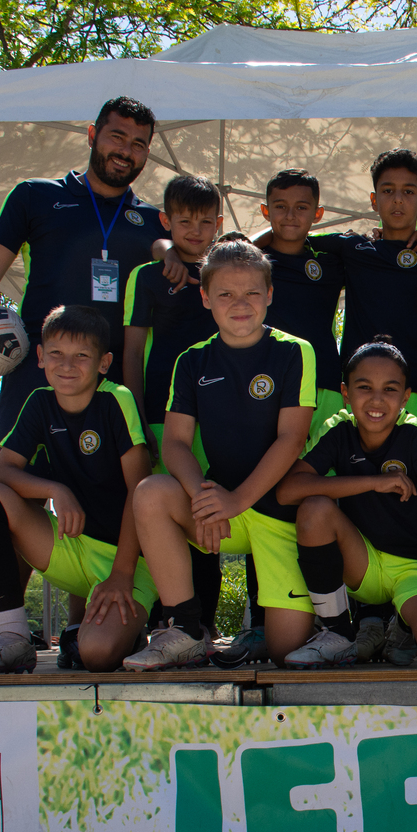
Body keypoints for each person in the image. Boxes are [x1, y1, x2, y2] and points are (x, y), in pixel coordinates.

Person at [124, 240, 317, 670]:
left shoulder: (294, 351)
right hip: (220, 512)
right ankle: (187, 629)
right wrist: (202, 497)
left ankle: (294, 623)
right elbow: (175, 443)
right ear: (206, 298)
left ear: (270, 295)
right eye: (226, 293)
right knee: (151, 492)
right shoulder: (191, 361)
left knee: (286, 652)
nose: (240, 304)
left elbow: (292, 439)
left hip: (276, 513)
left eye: (251, 292)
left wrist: (235, 500)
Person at [0, 96, 166, 441]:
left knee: (116, 480)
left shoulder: (156, 223)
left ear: (147, 152)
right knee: (17, 475)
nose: (125, 151)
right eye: (117, 137)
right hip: (37, 373)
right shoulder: (34, 196)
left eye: (138, 144)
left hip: (115, 383)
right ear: (92, 135)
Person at [0, 305, 157, 675]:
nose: (67, 365)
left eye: (81, 356)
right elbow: (2, 471)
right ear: (40, 357)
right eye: (56, 354)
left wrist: (121, 574)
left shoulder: (116, 399)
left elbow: (140, 491)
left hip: (126, 559)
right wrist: (55, 489)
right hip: (68, 547)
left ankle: (130, 632)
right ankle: (14, 636)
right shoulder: (39, 402)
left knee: (97, 655)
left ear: (104, 362)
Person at [275, 338, 417, 669]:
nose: (376, 399)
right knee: (314, 509)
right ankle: (337, 634)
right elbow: (288, 490)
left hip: (415, 569)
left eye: (390, 389)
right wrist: (373, 482)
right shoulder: (338, 429)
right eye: (364, 387)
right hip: (362, 562)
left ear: (405, 397)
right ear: (345, 392)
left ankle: (405, 626)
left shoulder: (415, 434)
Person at [272, 148, 417, 452]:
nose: (398, 200)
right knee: (350, 477)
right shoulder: (353, 248)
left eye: (408, 191)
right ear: (373, 199)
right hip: (358, 392)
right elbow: (290, 234)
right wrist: (240, 242)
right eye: (388, 191)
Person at [121, 175, 238, 656]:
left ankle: (203, 627)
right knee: (157, 513)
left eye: (205, 221)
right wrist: (134, 420)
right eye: (184, 221)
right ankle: (165, 621)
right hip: (157, 418)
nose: (195, 230)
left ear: (219, 224)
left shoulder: (224, 276)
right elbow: (131, 352)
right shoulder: (148, 277)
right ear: (166, 221)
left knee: (205, 513)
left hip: (216, 418)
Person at [259, 168, 349, 441]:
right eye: (280, 206)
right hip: (268, 381)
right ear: (265, 211)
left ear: (317, 213)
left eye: (301, 207)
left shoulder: (330, 262)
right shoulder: (251, 262)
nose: (290, 215)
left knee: (326, 463)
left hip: (324, 382)